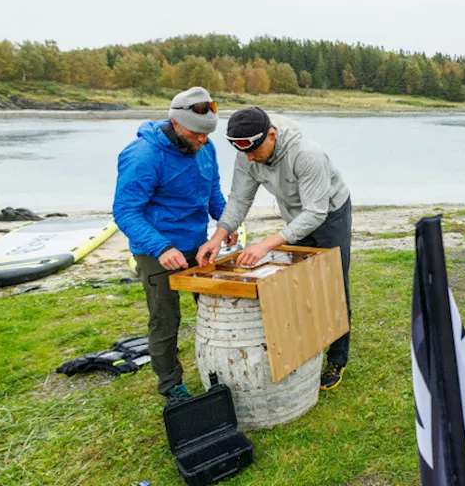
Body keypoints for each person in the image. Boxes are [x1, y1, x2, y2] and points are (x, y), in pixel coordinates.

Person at [197, 107, 354, 391]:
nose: (249, 158)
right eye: (243, 152)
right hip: (295, 216)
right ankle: (308, 347)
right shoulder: (248, 151)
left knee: (334, 285)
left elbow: (315, 214)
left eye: (254, 151)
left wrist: (265, 244)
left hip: (330, 213)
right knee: (299, 282)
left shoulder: (307, 154)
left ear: (271, 135)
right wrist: (219, 235)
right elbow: (238, 199)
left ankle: (337, 358)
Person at [113, 87, 231, 401]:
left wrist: (225, 224)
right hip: (156, 248)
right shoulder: (142, 156)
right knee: (166, 318)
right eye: (197, 134)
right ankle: (170, 384)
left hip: (197, 244)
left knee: (213, 308)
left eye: (208, 134)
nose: (203, 140)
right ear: (176, 124)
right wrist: (161, 247)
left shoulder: (206, 148)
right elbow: (125, 211)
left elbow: (213, 193)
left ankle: (220, 365)